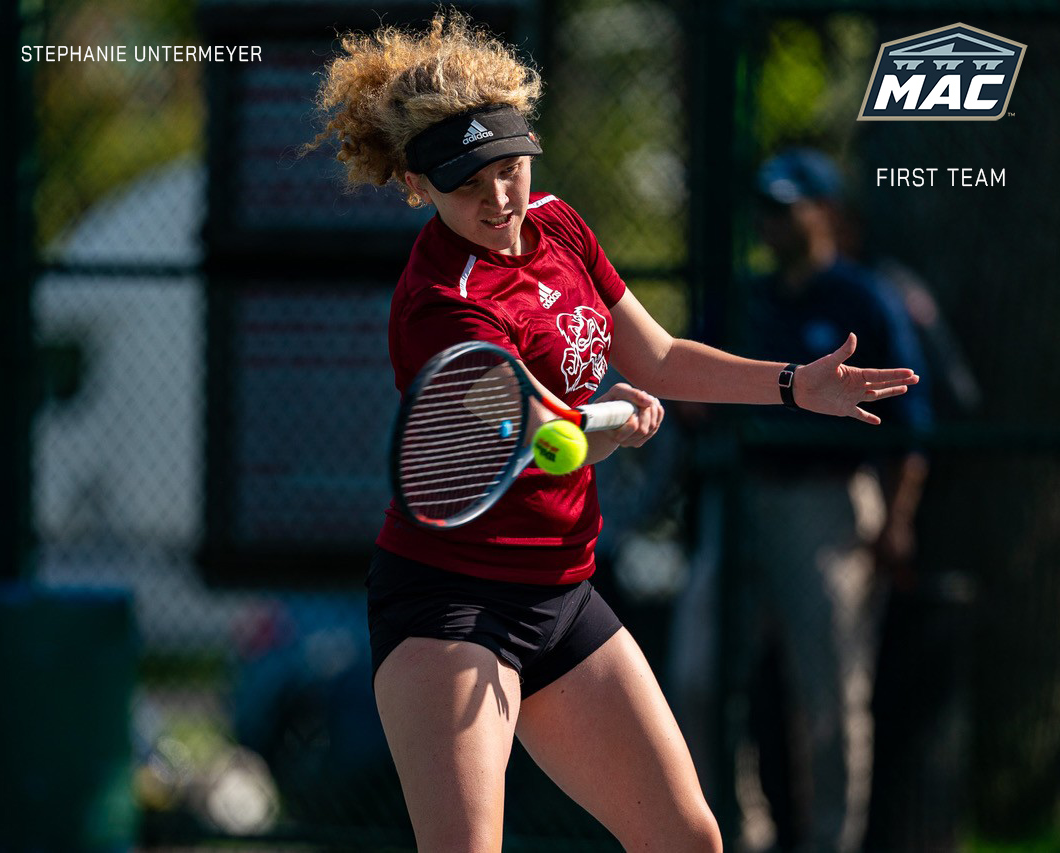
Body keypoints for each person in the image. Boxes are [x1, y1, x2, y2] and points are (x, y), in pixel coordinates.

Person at [305, 17, 919, 852]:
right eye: (464, 182)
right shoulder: (440, 305)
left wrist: (790, 385)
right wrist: (610, 422)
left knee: (686, 838)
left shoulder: (559, 225)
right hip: (451, 607)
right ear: (418, 185)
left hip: (562, 593)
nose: (497, 198)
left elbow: (658, 354)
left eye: (509, 167)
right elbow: (538, 436)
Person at [673, 148, 932, 852]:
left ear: (828, 214)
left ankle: (828, 842)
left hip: (828, 508)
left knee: (825, 698)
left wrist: (896, 523)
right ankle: (736, 835)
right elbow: (689, 386)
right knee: (695, 676)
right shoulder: (741, 297)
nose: (771, 221)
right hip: (745, 500)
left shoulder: (864, 298)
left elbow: (914, 428)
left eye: (787, 207)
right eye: (764, 207)